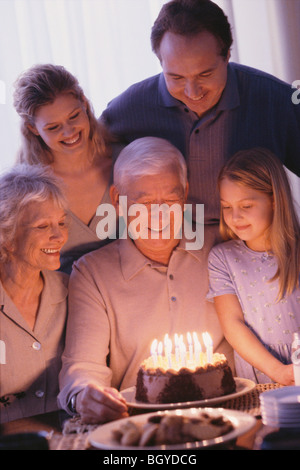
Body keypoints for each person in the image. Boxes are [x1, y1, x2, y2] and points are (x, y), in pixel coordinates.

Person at [58, 136, 232, 424]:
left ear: (186, 194)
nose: (160, 214)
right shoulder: (92, 273)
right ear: (117, 200)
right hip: (139, 425)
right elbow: (82, 366)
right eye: (145, 202)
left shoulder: (222, 245)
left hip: (226, 415)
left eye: (171, 200)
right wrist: (84, 394)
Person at [101, 0, 300, 225]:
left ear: (226, 56)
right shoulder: (128, 109)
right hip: (171, 252)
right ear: (161, 63)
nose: (192, 92)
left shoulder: (276, 100)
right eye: (176, 77)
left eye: (205, 75)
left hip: (260, 250)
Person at [207, 148, 300, 385]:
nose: (235, 217)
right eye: (226, 207)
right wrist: (278, 371)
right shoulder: (222, 258)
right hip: (260, 379)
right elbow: (232, 324)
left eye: (246, 206)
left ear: (274, 200)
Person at [13, 64, 114, 273]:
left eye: (74, 116)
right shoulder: (26, 189)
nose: (69, 132)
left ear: (84, 104)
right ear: (33, 128)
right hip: (62, 301)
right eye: (53, 127)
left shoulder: (124, 162)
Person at [0, 164, 69, 423]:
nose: (59, 235)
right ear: (7, 236)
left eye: (61, 222)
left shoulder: (74, 292)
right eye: (42, 227)